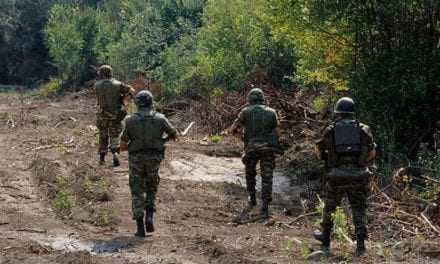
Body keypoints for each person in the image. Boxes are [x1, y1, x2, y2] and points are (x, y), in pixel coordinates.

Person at [314, 97, 376, 256]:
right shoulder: (364, 129)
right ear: (352, 112)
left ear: (338, 112)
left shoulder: (330, 129)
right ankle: (361, 246)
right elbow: (372, 152)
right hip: (358, 175)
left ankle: (326, 241)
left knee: (330, 207)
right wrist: (360, 164)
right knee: (359, 210)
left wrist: (327, 160)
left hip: (337, 176)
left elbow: (319, 151)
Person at [119, 90, 178, 237]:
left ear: (137, 103)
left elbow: (123, 143)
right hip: (154, 158)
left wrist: (128, 147)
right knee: (152, 187)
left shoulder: (130, 120)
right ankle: (149, 216)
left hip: (136, 159)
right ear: (151, 102)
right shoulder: (160, 118)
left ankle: (140, 228)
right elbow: (174, 134)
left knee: (136, 190)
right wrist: (162, 141)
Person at [230, 88, 282, 219]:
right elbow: (278, 133)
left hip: (251, 147)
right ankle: (265, 206)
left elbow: (233, 129)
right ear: (262, 98)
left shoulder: (245, 112)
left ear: (250, 99)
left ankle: (252, 198)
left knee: (250, 173)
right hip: (267, 148)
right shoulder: (272, 112)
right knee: (267, 176)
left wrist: (244, 139)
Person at [94, 65, 134, 167]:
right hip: (115, 115)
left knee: (103, 135)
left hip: (102, 115)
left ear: (101, 73)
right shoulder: (118, 84)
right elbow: (131, 91)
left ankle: (102, 158)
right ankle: (115, 154)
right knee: (115, 135)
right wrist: (123, 100)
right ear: (110, 72)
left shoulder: (96, 85)